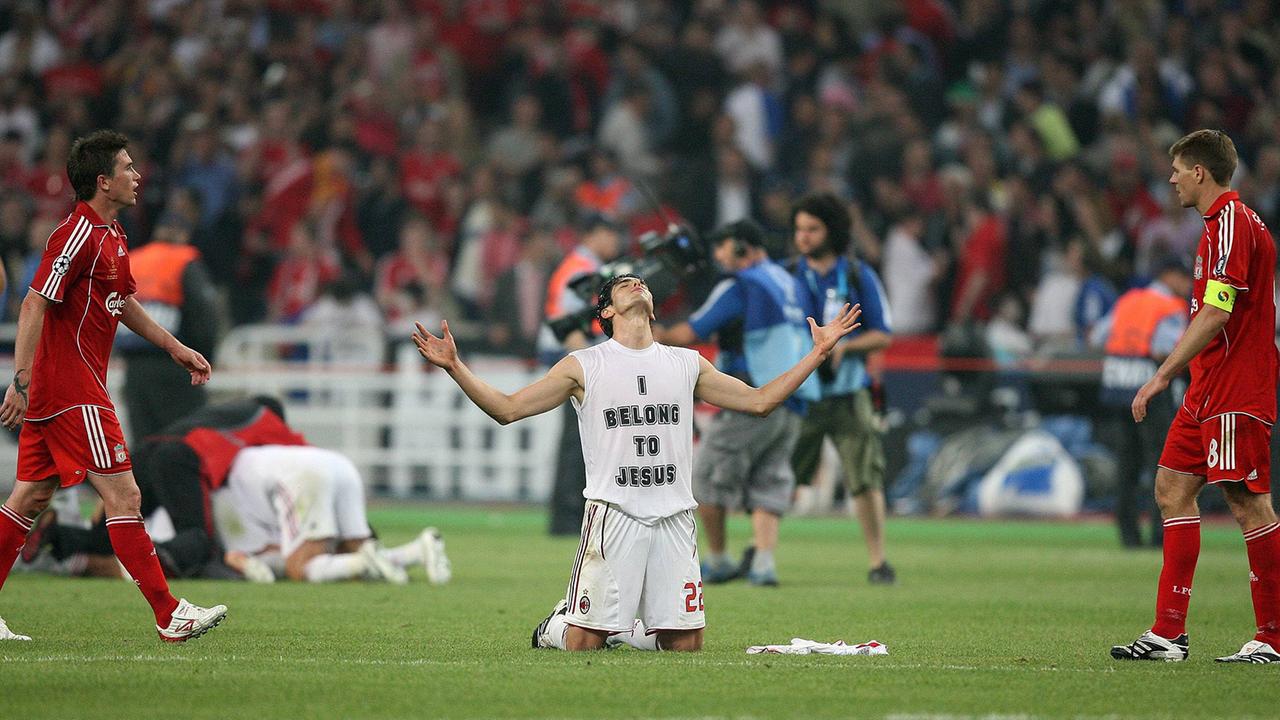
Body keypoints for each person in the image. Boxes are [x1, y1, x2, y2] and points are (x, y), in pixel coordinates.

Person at [412, 274, 860, 651]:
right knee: (581, 644)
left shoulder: (687, 363)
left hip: (675, 516)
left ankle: (625, 630)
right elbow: (508, 409)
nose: (637, 283)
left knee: (686, 646)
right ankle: (555, 625)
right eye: (624, 284)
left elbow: (760, 401)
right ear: (605, 312)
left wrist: (817, 354)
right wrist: (455, 366)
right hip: (614, 513)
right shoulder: (584, 365)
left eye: (640, 281)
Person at [0, 130, 225, 643]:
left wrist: (175, 347)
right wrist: (21, 380)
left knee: (28, 499)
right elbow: (35, 302)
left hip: (65, 394)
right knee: (124, 494)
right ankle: (170, 613)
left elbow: (123, 305)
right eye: (127, 167)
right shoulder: (76, 233)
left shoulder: (114, 236)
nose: (137, 175)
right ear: (103, 182)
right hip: (72, 393)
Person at [1112, 129, 1280, 664]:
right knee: (1170, 488)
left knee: (1247, 501)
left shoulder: (1232, 224)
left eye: (1179, 170)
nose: (1172, 179)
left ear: (1201, 172)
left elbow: (1218, 310)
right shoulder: (1220, 226)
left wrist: (1162, 373)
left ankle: (1273, 637)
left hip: (1235, 384)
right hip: (1208, 384)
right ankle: (1167, 634)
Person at [653, 219, 819, 586]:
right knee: (770, 479)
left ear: (742, 248)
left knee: (706, 477)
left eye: (723, 246)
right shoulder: (786, 281)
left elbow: (690, 331)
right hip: (793, 396)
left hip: (751, 395)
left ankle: (719, 558)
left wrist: (651, 331)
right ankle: (763, 563)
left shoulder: (740, 284)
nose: (716, 255)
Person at [788, 193, 896, 584]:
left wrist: (846, 346)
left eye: (812, 229)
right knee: (779, 475)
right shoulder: (787, 274)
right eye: (799, 229)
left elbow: (883, 335)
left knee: (864, 477)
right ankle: (761, 553)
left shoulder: (857, 274)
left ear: (831, 231)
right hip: (800, 391)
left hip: (850, 391)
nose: (803, 237)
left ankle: (878, 561)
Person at [1090, 257, 1191, 548]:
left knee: (1128, 465)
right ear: (1170, 276)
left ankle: (1128, 535)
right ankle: (1161, 535)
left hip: (1118, 386)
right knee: (1160, 463)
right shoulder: (1169, 308)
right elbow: (1165, 348)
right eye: (1184, 279)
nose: (1186, 287)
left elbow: (1098, 334)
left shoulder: (1129, 300)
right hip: (1149, 389)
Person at [535, 213, 623, 536]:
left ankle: (571, 516)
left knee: (579, 440)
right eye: (611, 235)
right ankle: (568, 517)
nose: (615, 243)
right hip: (573, 360)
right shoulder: (581, 270)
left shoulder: (579, 266)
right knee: (577, 440)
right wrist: (587, 365)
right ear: (596, 234)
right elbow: (565, 321)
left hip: (572, 358)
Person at [116, 210, 219, 444]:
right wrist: (205, 358)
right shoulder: (184, 260)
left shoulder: (133, 259)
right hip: (175, 366)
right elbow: (204, 313)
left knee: (145, 443)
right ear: (183, 234)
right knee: (187, 440)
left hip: (134, 367)